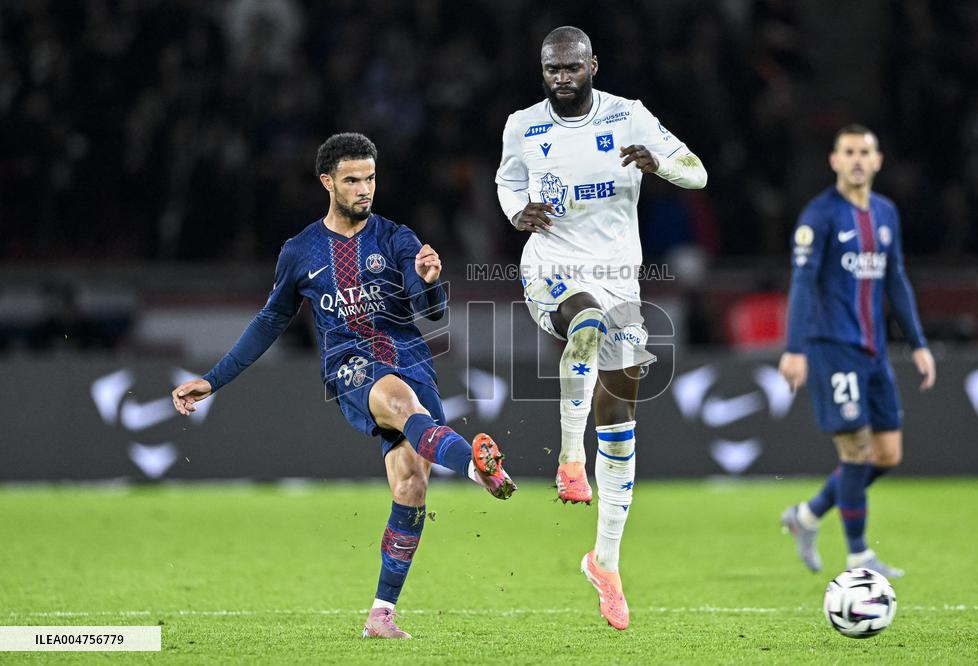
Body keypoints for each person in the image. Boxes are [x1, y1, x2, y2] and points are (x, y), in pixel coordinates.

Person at [171, 132, 516, 639]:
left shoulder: (397, 237)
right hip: (349, 365)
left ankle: (381, 614)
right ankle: (473, 466)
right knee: (397, 402)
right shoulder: (300, 251)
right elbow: (271, 322)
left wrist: (430, 281)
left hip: (410, 357)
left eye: (371, 178)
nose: (364, 189)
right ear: (327, 182)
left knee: (411, 485)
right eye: (352, 180)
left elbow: (431, 313)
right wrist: (214, 379)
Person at [495, 26, 707, 630]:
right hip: (551, 265)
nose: (560, 77)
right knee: (583, 323)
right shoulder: (521, 125)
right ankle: (568, 459)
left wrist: (659, 163)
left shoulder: (630, 116)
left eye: (570, 67)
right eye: (551, 69)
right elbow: (508, 180)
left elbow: (698, 173)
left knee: (619, 421)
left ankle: (605, 562)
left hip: (620, 277)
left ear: (593, 65)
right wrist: (517, 212)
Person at [778, 124, 935, 579]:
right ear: (834, 161)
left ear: (878, 160)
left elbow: (897, 280)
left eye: (866, 151)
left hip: (875, 351)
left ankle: (806, 516)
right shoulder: (819, 216)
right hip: (832, 348)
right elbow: (803, 284)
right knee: (856, 451)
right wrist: (795, 349)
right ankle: (860, 559)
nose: (858, 159)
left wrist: (919, 342)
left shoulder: (885, 213)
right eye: (849, 152)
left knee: (887, 455)